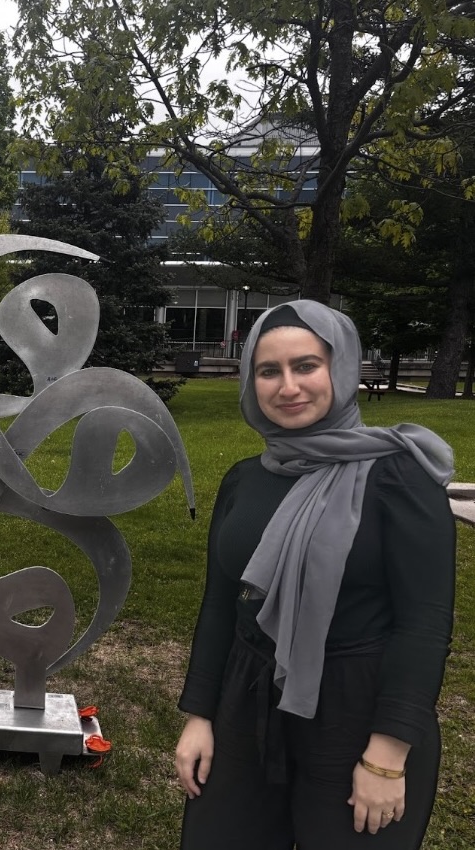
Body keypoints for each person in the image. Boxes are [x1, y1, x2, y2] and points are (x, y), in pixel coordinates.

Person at [174, 300, 455, 849]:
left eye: (306, 366)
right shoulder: (243, 480)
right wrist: (200, 715)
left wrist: (388, 755)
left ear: (342, 369)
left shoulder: (399, 479)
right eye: (268, 370)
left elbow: (423, 624)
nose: (288, 387)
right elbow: (219, 604)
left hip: (358, 711)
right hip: (247, 700)